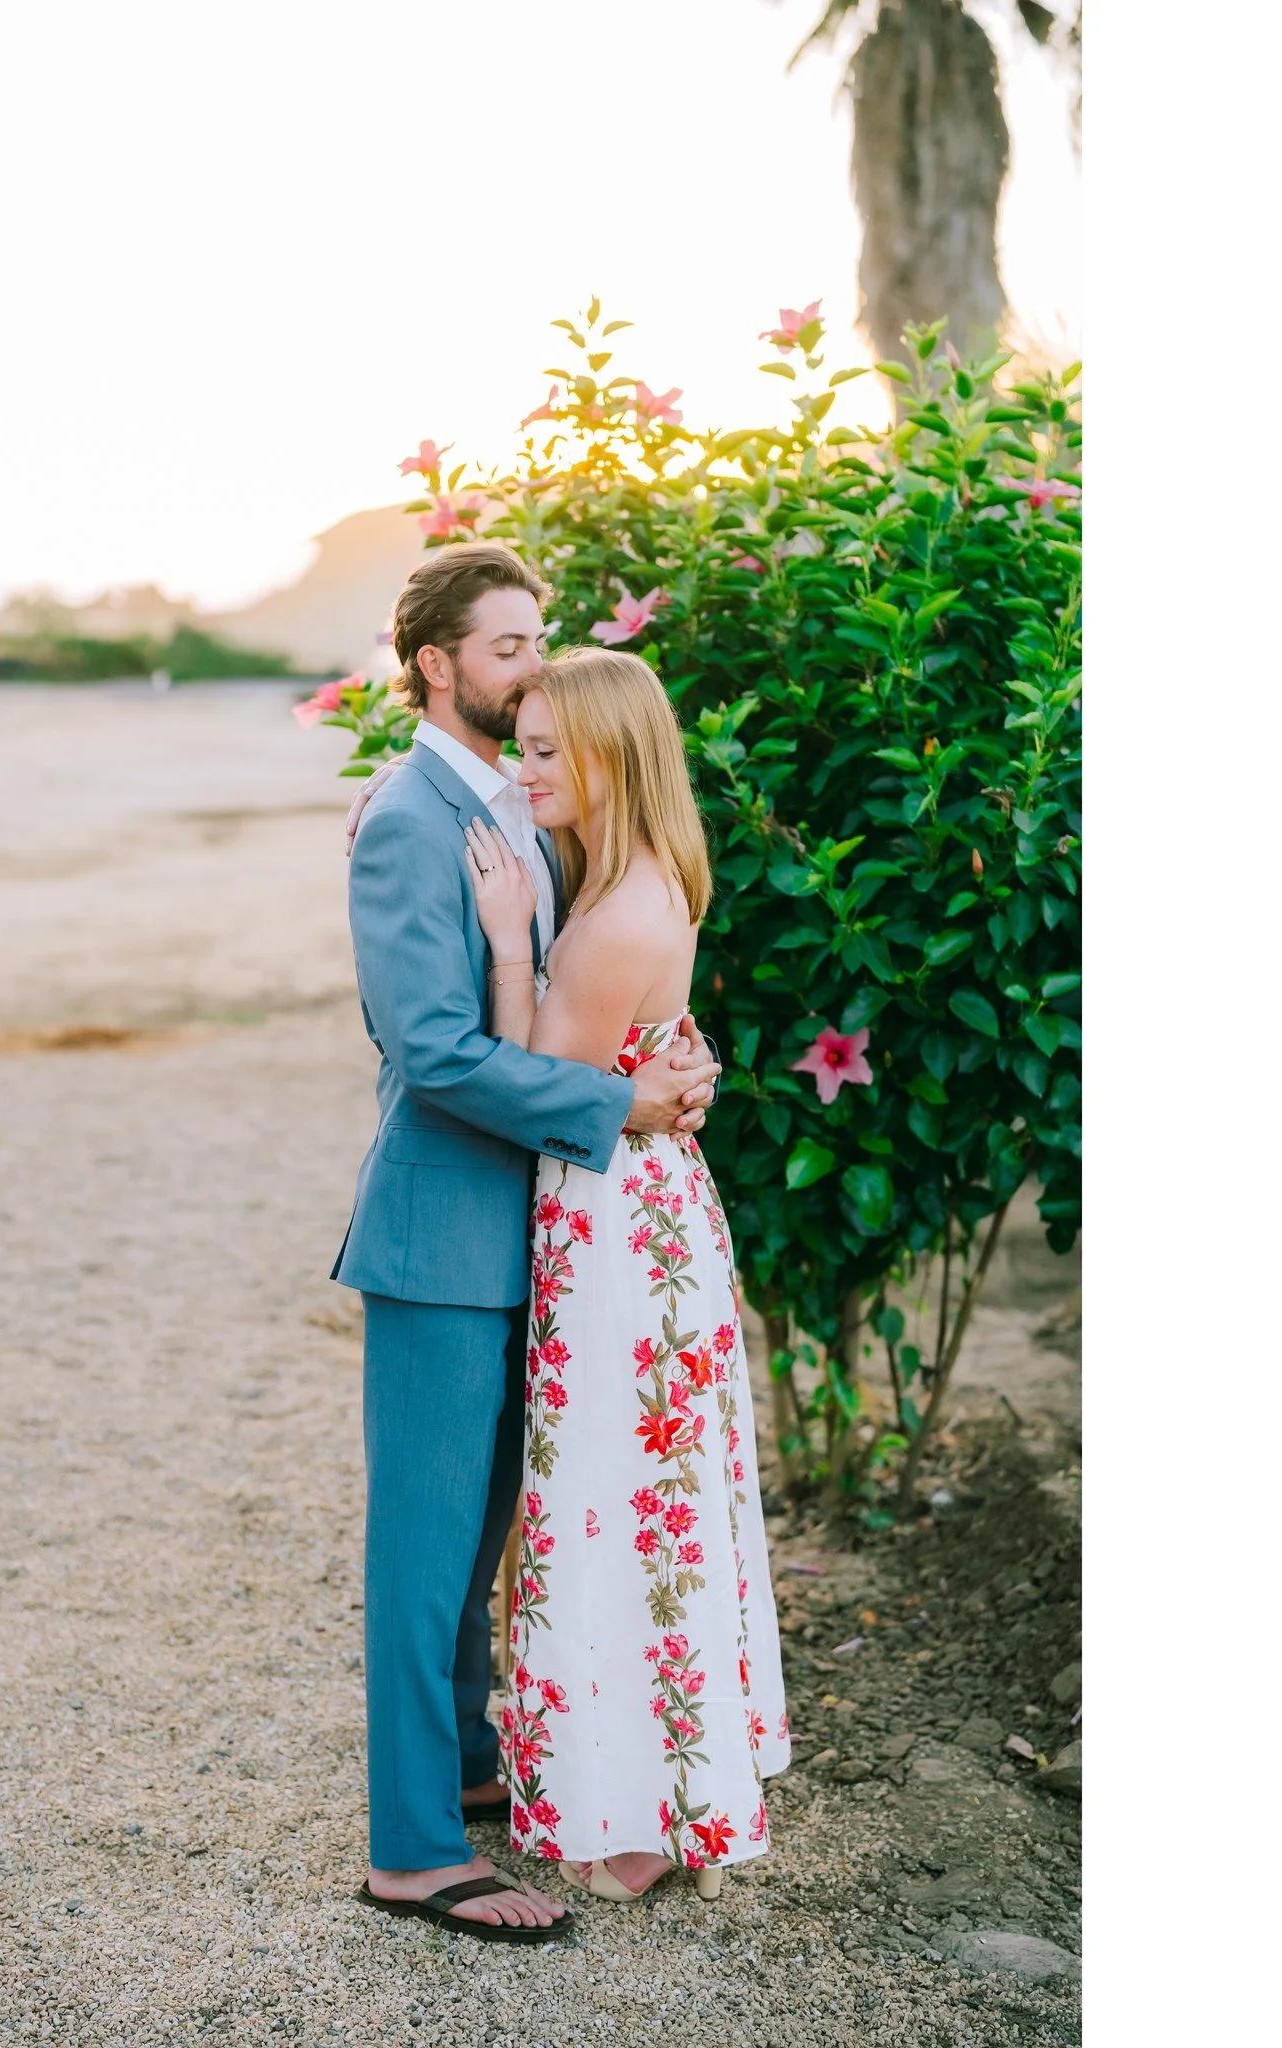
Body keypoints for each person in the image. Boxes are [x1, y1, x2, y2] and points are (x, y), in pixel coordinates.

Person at [334, 542, 722, 1943]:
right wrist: (619, 1104)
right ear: (436, 664)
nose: (530, 665)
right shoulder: (408, 817)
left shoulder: (523, 804)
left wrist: (668, 1060)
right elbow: (434, 1051)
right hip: (443, 1234)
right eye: (506, 646)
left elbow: (579, 995)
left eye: (536, 639)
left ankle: (469, 1764)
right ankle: (412, 1851)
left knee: (489, 1533)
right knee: (423, 1551)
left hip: (544, 1235)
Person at [462, 645, 791, 1903]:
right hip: (644, 1214)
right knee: (658, 1491)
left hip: (611, 1228)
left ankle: (649, 1811)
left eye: (550, 751)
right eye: (523, 748)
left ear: (611, 754)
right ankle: (683, 1783)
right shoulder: (644, 876)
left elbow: (526, 1087)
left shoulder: (613, 917)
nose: (528, 771)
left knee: (615, 1489)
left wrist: (508, 946)